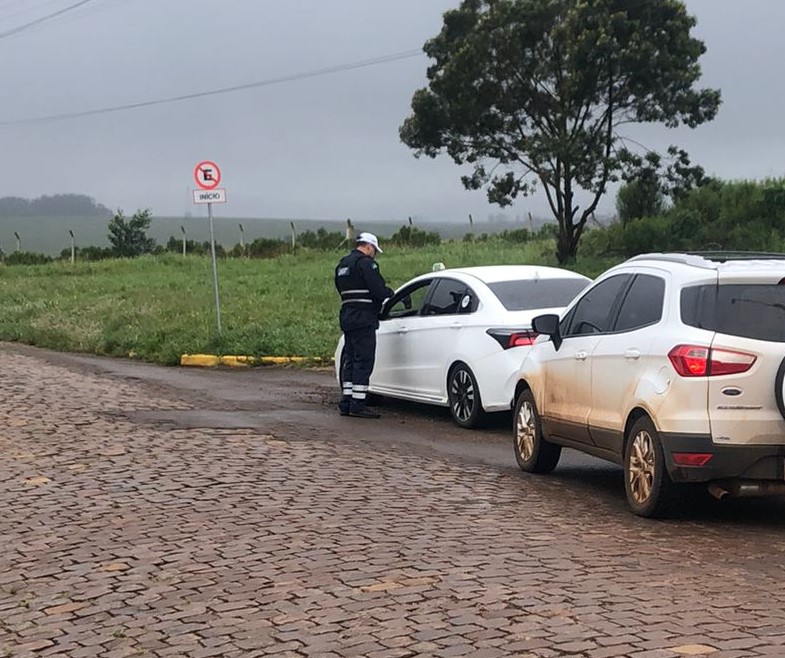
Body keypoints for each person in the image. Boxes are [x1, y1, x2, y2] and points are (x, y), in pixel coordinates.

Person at [334, 232, 394, 419]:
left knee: (350, 360)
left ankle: (347, 401)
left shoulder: (343, 264)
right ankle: (358, 404)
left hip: (347, 316)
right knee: (364, 360)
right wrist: (389, 294)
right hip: (363, 317)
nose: (374, 254)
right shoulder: (366, 264)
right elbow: (378, 289)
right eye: (374, 250)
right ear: (368, 247)